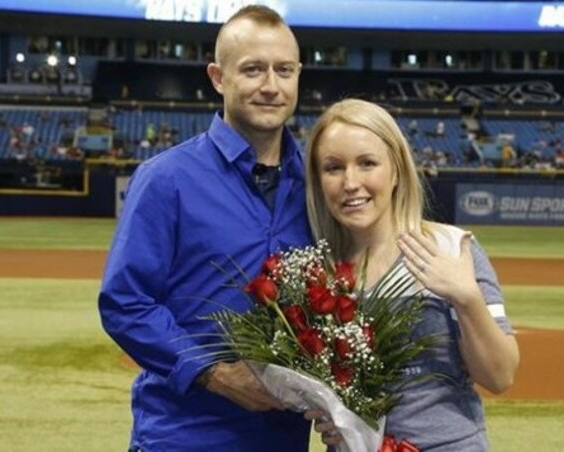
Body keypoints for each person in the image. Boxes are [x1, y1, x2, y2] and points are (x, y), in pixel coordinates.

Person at [98, 5, 312, 451]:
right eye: (252, 70)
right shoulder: (167, 178)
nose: (271, 86)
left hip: (284, 438)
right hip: (183, 436)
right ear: (218, 77)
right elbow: (125, 302)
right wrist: (214, 373)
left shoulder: (318, 185)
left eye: (283, 70)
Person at [303, 99, 519, 451]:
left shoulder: (452, 248)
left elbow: (499, 376)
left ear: (397, 171)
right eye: (333, 168)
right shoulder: (314, 273)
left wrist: (466, 298)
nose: (351, 182)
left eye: (367, 163)